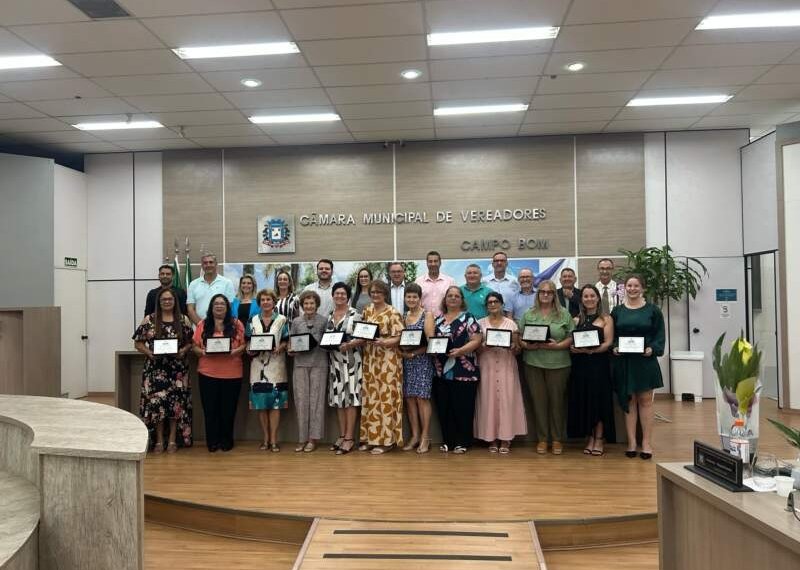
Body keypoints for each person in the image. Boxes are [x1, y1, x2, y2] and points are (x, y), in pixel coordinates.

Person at [133, 288, 194, 453]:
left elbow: (191, 342)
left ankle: (173, 440)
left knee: (175, 405)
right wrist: (149, 353)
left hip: (177, 371)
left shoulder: (183, 320)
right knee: (157, 405)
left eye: (170, 299)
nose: (167, 302)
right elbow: (138, 343)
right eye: (164, 300)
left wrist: (183, 351)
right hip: (155, 369)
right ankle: (159, 440)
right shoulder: (149, 319)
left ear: (175, 302)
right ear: (159, 302)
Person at [612, 275, 665, 460]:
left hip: (645, 362)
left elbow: (659, 335)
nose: (632, 289)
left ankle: (646, 443)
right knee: (629, 401)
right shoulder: (617, 311)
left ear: (642, 288)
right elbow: (613, 334)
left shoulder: (653, 310)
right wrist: (615, 347)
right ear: (624, 288)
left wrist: (653, 348)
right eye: (629, 285)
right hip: (625, 361)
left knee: (645, 401)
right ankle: (632, 442)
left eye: (636, 286)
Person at [519, 280, 574, 455]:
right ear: (538, 294)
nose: (545, 294)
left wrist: (559, 345)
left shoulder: (564, 314)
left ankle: (557, 439)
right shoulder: (528, 314)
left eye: (549, 292)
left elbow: (572, 337)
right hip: (533, 362)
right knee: (538, 402)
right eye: (542, 292)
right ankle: (542, 439)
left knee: (557, 403)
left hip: (558, 364)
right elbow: (519, 337)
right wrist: (527, 346)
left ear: (553, 295)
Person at [192, 294, 246, 452]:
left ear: (227, 307)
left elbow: (244, 345)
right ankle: (212, 442)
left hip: (232, 374)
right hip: (207, 373)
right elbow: (194, 346)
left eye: (222, 304)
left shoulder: (237, 324)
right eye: (216, 303)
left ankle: (226, 441)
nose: (219, 306)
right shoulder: (203, 324)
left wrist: (234, 352)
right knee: (210, 410)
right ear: (211, 306)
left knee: (228, 410)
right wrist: (202, 353)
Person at [567, 284, 616, 456]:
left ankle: (600, 438)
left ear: (598, 298)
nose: (589, 299)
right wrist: (574, 348)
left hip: (599, 365)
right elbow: (571, 341)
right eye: (585, 296)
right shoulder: (576, 319)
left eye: (592, 296)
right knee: (585, 401)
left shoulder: (606, 319)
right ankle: (590, 438)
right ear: (581, 299)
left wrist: (591, 351)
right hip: (580, 366)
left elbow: (608, 343)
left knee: (598, 401)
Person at [475, 292, 527, 454]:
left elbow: (518, 349)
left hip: (506, 366)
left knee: (507, 400)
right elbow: (475, 349)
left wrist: (514, 347)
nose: (492, 304)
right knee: (488, 400)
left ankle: (506, 438)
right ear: (486, 306)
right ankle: (491, 438)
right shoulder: (479, 323)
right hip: (487, 366)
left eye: (496, 301)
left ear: (502, 303)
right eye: (489, 302)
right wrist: (484, 346)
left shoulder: (511, 324)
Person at [432, 286, 482, 454]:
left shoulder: (469, 318)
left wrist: (461, 351)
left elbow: (477, 340)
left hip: (464, 370)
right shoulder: (438, 319)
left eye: (456, 296)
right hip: (441, 371)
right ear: (445, 299)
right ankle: (448, 440)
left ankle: (463, 441)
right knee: (444, 407)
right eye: (450, 296)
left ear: (462, 300)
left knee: (463, 407)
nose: (453, 298)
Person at [359, 280, 404, 454]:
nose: (375, 295)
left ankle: (386, 441)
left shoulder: (393, 312)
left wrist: (385, 342)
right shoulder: (367, 310)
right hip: (370, 358)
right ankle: (371, 438)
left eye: (379, 292)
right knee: (371, 398)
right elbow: (362, 333)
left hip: (388, 360)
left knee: (386, 399)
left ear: (385, 293)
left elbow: (400, 337)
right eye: (373, 292)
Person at [247, 289, 288, 452]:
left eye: (268, 299)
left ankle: (274, 440)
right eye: (263, 300)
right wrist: (249, 350)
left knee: (276, 403)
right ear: (259, 302)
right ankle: (265, 438)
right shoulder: (252, 320)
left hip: (276, 365)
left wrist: (281, 347)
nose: (266, 302)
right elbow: (248, 341)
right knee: (261, 404)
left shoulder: (282, 320)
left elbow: (286, 340)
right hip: (257, 366)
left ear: (274, 301)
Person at [288, 290, 329, 452]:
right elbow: (291, 343)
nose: (309, 306)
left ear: (317, 305)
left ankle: (313, 439)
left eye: (312, 303)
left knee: (316, 401)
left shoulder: (324, 321)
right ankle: (302, 438)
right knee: (301, 401)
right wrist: (291, 350)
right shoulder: (296, 322)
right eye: (306, 303)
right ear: (302, 305)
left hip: (319, 364)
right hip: (300, 365)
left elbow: (329, 342)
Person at [326, 282, 363, 455]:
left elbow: (363, 338)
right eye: (337, 293)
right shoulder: (329, 315)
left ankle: (349, 438)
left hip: (352, 363)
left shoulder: (356, 314)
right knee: (339, 401)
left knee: (351, 400)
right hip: (335, 364)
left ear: (348, 296)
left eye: (343, 294)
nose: (339, 296)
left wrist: (349, 345)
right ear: (333, 296)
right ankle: (342, 435)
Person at [398, 282, 435, 454]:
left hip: (422, 361)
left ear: (420, 298)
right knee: (410, 399)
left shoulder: (427, 315)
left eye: (415, 296)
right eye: (408, 296)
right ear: (405, 298)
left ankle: (425, 437)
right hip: (406, 362)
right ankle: (414, 436)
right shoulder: (403, 316)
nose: (411, 299)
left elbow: (431, 342)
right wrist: (403, 352)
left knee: (422, 399)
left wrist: (413, 354)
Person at [187, 253, 236, 324]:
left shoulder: (227, 283)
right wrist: (202, 326)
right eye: (205, 263)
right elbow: (190, 309)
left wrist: (217, 326)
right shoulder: (193, 284)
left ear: (216, 264)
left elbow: (229, 306)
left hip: (221, 329)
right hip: (199, 328)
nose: (208, 265)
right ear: (202, 266)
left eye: (211, 262)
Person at [415, 250, 455, 316]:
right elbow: (416, 302)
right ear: (427, 263)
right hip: (423, 321)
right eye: (430, 261)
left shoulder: (450, 281)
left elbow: (455, 302)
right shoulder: (418, 281)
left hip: (445, 322)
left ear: (440, 263)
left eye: (435, 261)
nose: (433, 264)